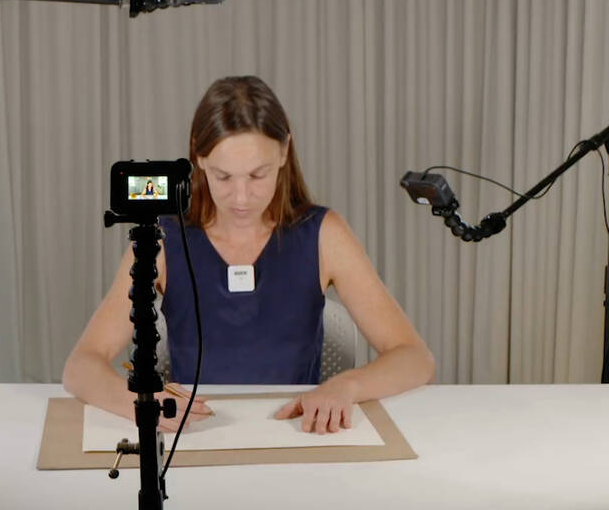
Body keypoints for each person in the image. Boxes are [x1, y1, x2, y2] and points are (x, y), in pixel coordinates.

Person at [63, 76, 434, 434]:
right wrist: (138, 401)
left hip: (294, 433)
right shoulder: (160, 237)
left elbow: (414, 357)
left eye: (258, 175)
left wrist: (348, 385)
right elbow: (81, 366)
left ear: (285, 152)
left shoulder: (324, 234)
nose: (241, 198)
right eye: (224, 177)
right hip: (193, 436)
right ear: (199, 157)